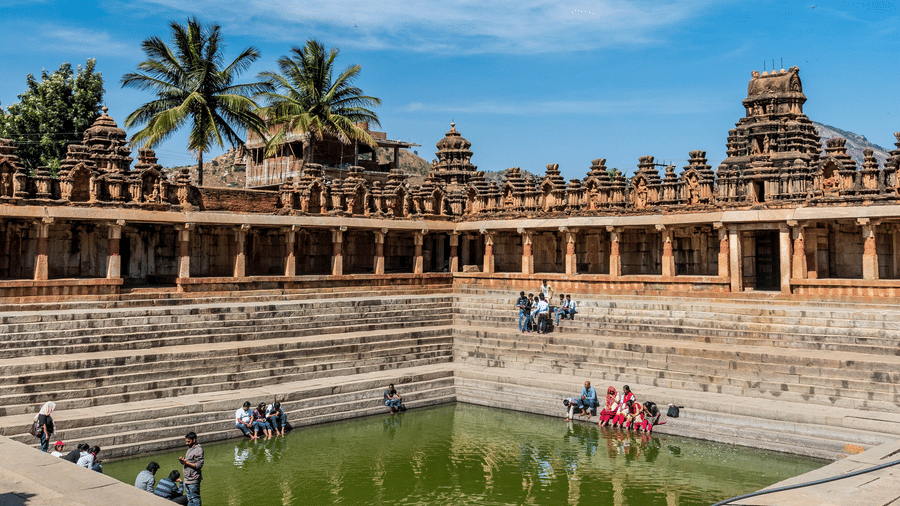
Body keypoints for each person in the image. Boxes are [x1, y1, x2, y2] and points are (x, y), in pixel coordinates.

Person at [179, 432, 203, 506]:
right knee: (189, 500)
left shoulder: (198, 450)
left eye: (188, 441)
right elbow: (188, 462)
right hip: (187, 479)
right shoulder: (190, 449)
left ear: (194, 440)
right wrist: (182, 461)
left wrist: (185, 462)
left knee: (195, 499)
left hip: (193, 479)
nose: (186, 443)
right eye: (186, 441)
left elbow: (199, 465)